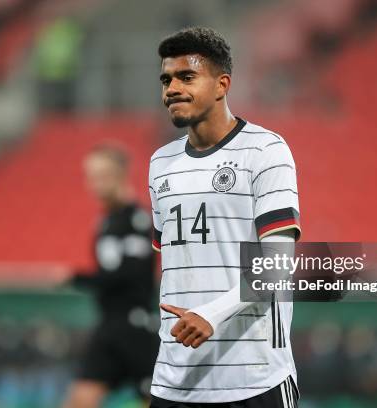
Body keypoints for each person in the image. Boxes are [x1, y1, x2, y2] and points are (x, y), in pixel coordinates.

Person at [148, 27, 302, 408]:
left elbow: (279, 265)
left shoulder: (265, 151)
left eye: (187, 77)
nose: (171, 89)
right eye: (166, 79)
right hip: (175, 379)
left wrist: (211, 314)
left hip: (253, 377)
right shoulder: (160, 164)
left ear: (222, 85)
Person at [64, 145, 159, 408]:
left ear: (120, 175)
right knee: (79, 401)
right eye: (91, 176)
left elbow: (131, 273)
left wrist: (78, 279)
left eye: (102, 175)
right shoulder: (106, 222)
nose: (95, 183)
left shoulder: (136, 219)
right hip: (109, 326)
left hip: (134, 328)